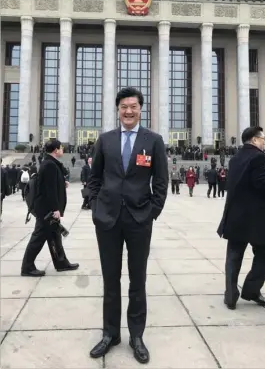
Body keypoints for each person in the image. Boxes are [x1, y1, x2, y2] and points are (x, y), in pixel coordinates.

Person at [88, 87, 168, 364]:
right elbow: (94, 178)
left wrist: (152, 212)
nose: (129, 111)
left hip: (138, 220)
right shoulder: (106, 140)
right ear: (118, 109)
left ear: (140, 109)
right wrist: (96, 208)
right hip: (107, 220)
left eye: (133, 106)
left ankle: (136, 335)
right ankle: (111, 334)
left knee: (138, 280)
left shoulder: (153, 140)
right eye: (124, 107)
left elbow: (160, 181)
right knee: (111, 280)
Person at [217, 126, 265, 310]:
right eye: (262, 138)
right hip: (256, 218)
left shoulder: (236, 157)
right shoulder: (258, 156)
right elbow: (261, 183)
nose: (264, 141)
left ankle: (231, 295)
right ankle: (252, 289)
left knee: (233, 257)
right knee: (264, 253)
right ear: (254, 140)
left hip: (236, 216)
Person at [21, 139, 79, 277]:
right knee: (38, 237)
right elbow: (49, 190)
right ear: (56, 150)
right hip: (46, 210)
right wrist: (55, 209)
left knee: (55, 235)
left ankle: (61, 263)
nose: (62, 150)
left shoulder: (50, 164)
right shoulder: (49, 165)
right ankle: (27, 267)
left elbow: (51, 184)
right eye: (61, 148)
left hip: (47, 209)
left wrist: (61, 182)